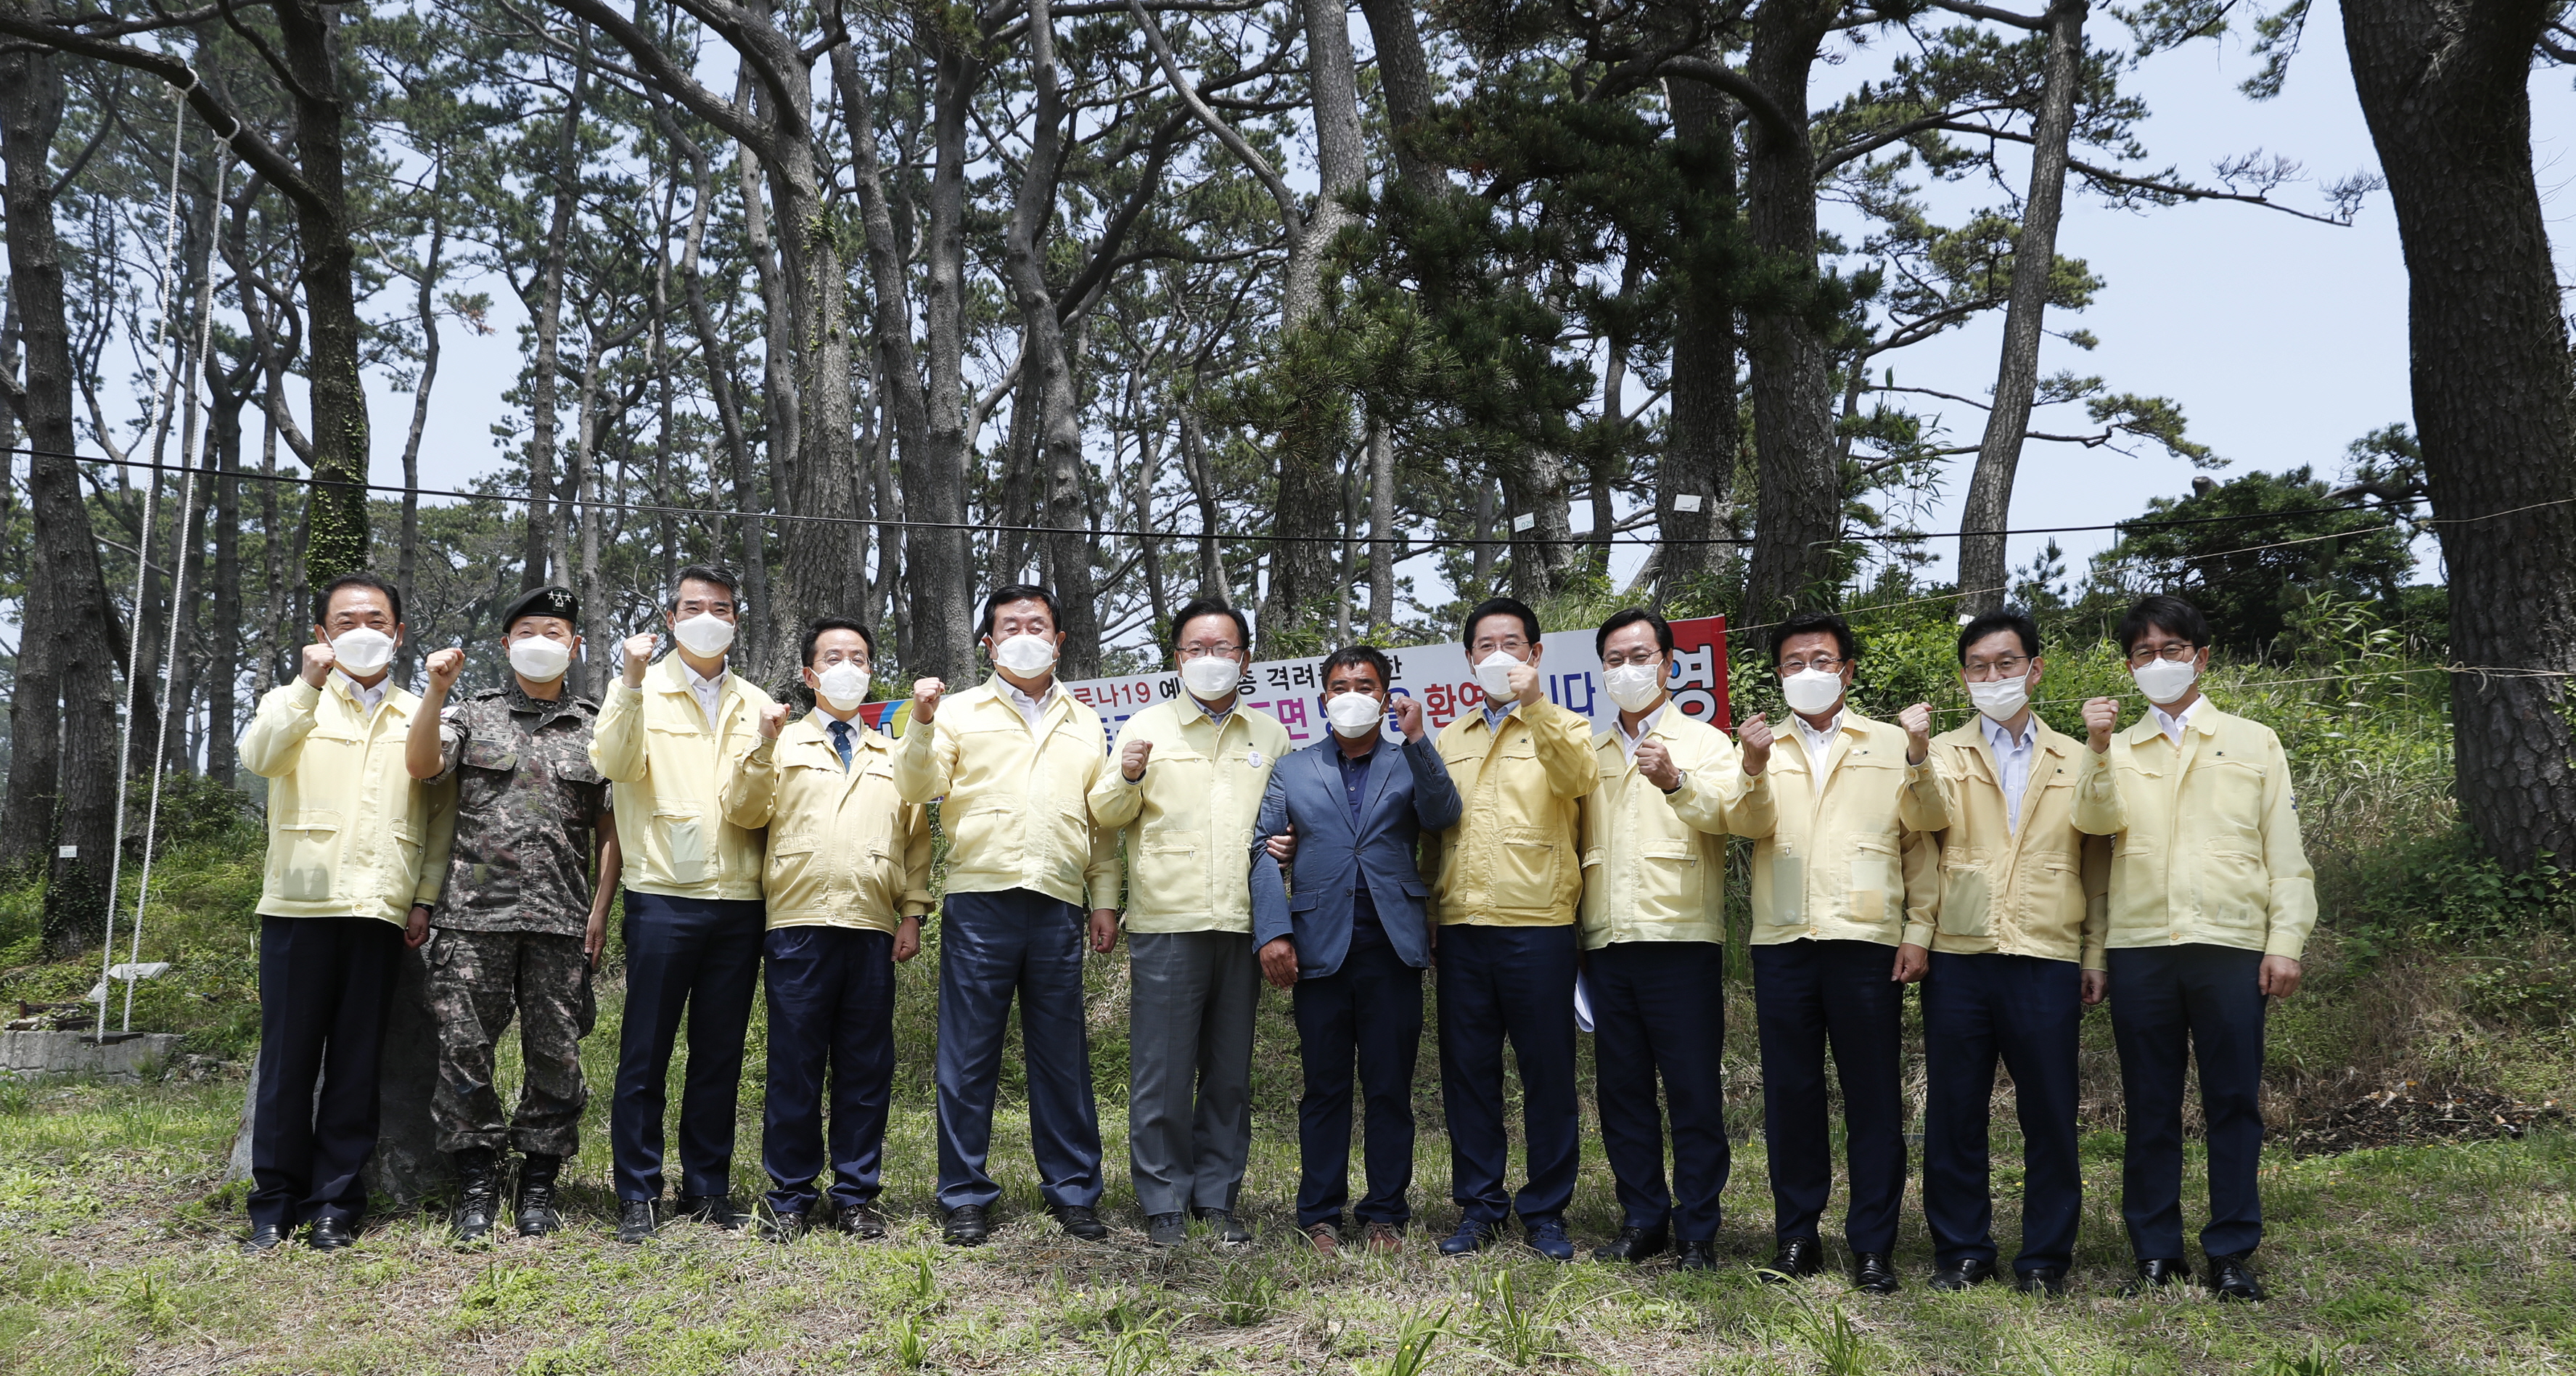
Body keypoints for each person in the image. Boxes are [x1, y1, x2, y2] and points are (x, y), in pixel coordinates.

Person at [2099, 594, 2314, 1301]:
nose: (2157, 663)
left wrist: (2284, 941)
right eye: (2142, 653)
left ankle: (2229, 1250)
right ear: (2129, 666)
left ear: (2201, 656)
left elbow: (2285, 855)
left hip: (2229, 948)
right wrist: (2092, 955)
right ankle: (2156, 1249)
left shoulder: (2254, 743)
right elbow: (2093, 869)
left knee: (2231, 1101)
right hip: (2139, 950)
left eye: (2170, 649)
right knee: (2150, 1103)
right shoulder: (2114, 751)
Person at [898, 583, 1122, 1246]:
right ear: (989, 643)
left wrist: (1103, 899)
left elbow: (1101, 827)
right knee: (967, 1057)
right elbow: (917, 786)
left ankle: (1075, 1192)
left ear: (1059, 640)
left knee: (1063, 1057)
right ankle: (964, 1195)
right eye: (1009, 625)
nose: (1025, 633)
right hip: (980, 901)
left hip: (1058, 902)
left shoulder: (1084, 721)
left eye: (1038, 623)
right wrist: (921, 719)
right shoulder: (958, 711)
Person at [1728, 610, 1944, 1294]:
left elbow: (1925, 834)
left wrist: (1918, 931)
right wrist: (1754, 767)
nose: (1808, 674)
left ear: (1847, 671)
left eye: (1822, 661)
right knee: (1791, 1095)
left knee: (1873, 1097)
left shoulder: (1889, 742)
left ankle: (1872, 1245)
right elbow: (1744, 824)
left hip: (1866, 942)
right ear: (1780, 674)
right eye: (1793, 663)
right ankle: (1797, 1237)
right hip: (1784, 940)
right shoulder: (1761, 745)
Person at [238, 571, 455, 1253]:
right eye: (346, 620)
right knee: (287, 1064)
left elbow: (438, 817)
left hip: (379, 908)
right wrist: (306, 684)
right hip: (299, 905)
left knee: (358, 1064)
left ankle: (335, 1202)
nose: (363, 631)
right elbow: (258, 756)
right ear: (322, 634)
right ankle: (272, 1204)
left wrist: (423, 897)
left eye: (376, 620)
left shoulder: (423, 713)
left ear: (398, 632)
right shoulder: (292, 701)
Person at [1913, 609, 2124, 1295]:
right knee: (1954, 1111)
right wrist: (1915, 758)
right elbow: (1924, 821)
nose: (1993, 677)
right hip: (1961, 953)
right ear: (1965, 678)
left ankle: (2044, 1258)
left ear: (2034, 669)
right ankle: (1964, 1250)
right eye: (1979, 667)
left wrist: (2094, 954)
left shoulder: (2075, 754)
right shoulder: (1942, 750)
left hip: (2047, 952)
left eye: (2006, 664)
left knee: (2049, 1112)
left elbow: (2097, 854)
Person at [403, 584, 622, 1245]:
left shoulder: (596, 726)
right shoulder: (471, 714)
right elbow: (421, 766)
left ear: (575, 645)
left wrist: (601, 911)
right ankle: (476, 1179)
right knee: (463, 1052)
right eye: (529, 630)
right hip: (473, 917)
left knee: (555, 1056)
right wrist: (436, 691)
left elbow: (611, 831)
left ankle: (538, 1183)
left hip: (561, 918)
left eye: (556, 632)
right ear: (505, 644)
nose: (542, 642)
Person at [721, 617, 931, 1242]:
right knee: (795, 1064)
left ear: (871, 673)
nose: (848, 666)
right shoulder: (780, 744)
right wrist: (761, 743)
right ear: (811, 674)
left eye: (860, 657)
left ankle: (856, 1195)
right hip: (799, 923)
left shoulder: (892, 753)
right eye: (834, 657)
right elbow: (744, 809)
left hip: (870, 924)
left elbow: (916, 839)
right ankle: (789, 1195)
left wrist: (913, 913)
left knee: (866, 1068)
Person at [1087, 597, 1289, 1248]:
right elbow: (1108, 815)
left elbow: (1287, 820)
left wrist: (1290, 846)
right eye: (1196, 650)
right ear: (1176, 659)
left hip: (1242, 920)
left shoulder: (1270, 734)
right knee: (1163, 1070)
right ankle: (1163, 1202)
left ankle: (1216, 1199)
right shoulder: (1147, 725)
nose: (1210, 661)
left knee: (1229, 1073)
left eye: (1223, 649)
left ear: (1245, 658)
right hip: (1168, 921)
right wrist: (1127, 773)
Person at [1250, 645, 1460, 1256]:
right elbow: (1262, 850)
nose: (1351, 695)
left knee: (1390, 1086)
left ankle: (1385, 1214)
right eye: (1339, 685)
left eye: (1364, 685)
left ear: (1385, 695)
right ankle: (1318, 1215)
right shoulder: (1293, 768)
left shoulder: (1407, 760)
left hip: (1393, 945)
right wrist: (1273, 932)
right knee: (1324, 1086)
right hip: (1317, 945)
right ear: (1322, 699)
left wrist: (1418, 738)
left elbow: (1444, 814)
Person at [590, 564, 776, 1242]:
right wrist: (631, 682)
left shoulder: (758, 703)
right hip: (662, 895)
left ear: (735, 620)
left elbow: (759, 809)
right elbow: (611, 761)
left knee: (719, 1052)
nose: (707, 617)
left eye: (720, 608)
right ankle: (637, 1191)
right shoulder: (638, 688)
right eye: (693, 606)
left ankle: (705, 1187)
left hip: (737, 900)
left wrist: (765, 744)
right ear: (670, 620)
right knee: (646, 1049)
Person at [1580, 608, 1771, 1271]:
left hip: (1681, 939)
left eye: (1640, 656)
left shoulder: (1705, 741)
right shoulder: (1592, 750)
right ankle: (1643, 1219)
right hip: (1606, 940)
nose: (1627, 669)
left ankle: (1698, 1230)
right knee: (1621, 1090)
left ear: (1668, 664)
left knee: (1691, 1090)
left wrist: (1676, 781)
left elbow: (1735, 817)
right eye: (1613, 659)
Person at [1424, 597, 1597, 1261]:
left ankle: (1546, 1211)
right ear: (1469, 659)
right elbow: (1435, 836)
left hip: (1540, 924)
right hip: (1464, 928)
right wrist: (1434, 918)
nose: (1498, 656)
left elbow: (1579, 779)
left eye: (1511, 644)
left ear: (1535, 654)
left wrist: (1538, 706)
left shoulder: (1567, 725)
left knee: (1547, 1073)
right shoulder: (1450, 737)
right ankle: (1479, 1205)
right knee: (1468, 1074)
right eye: (1484, 646)